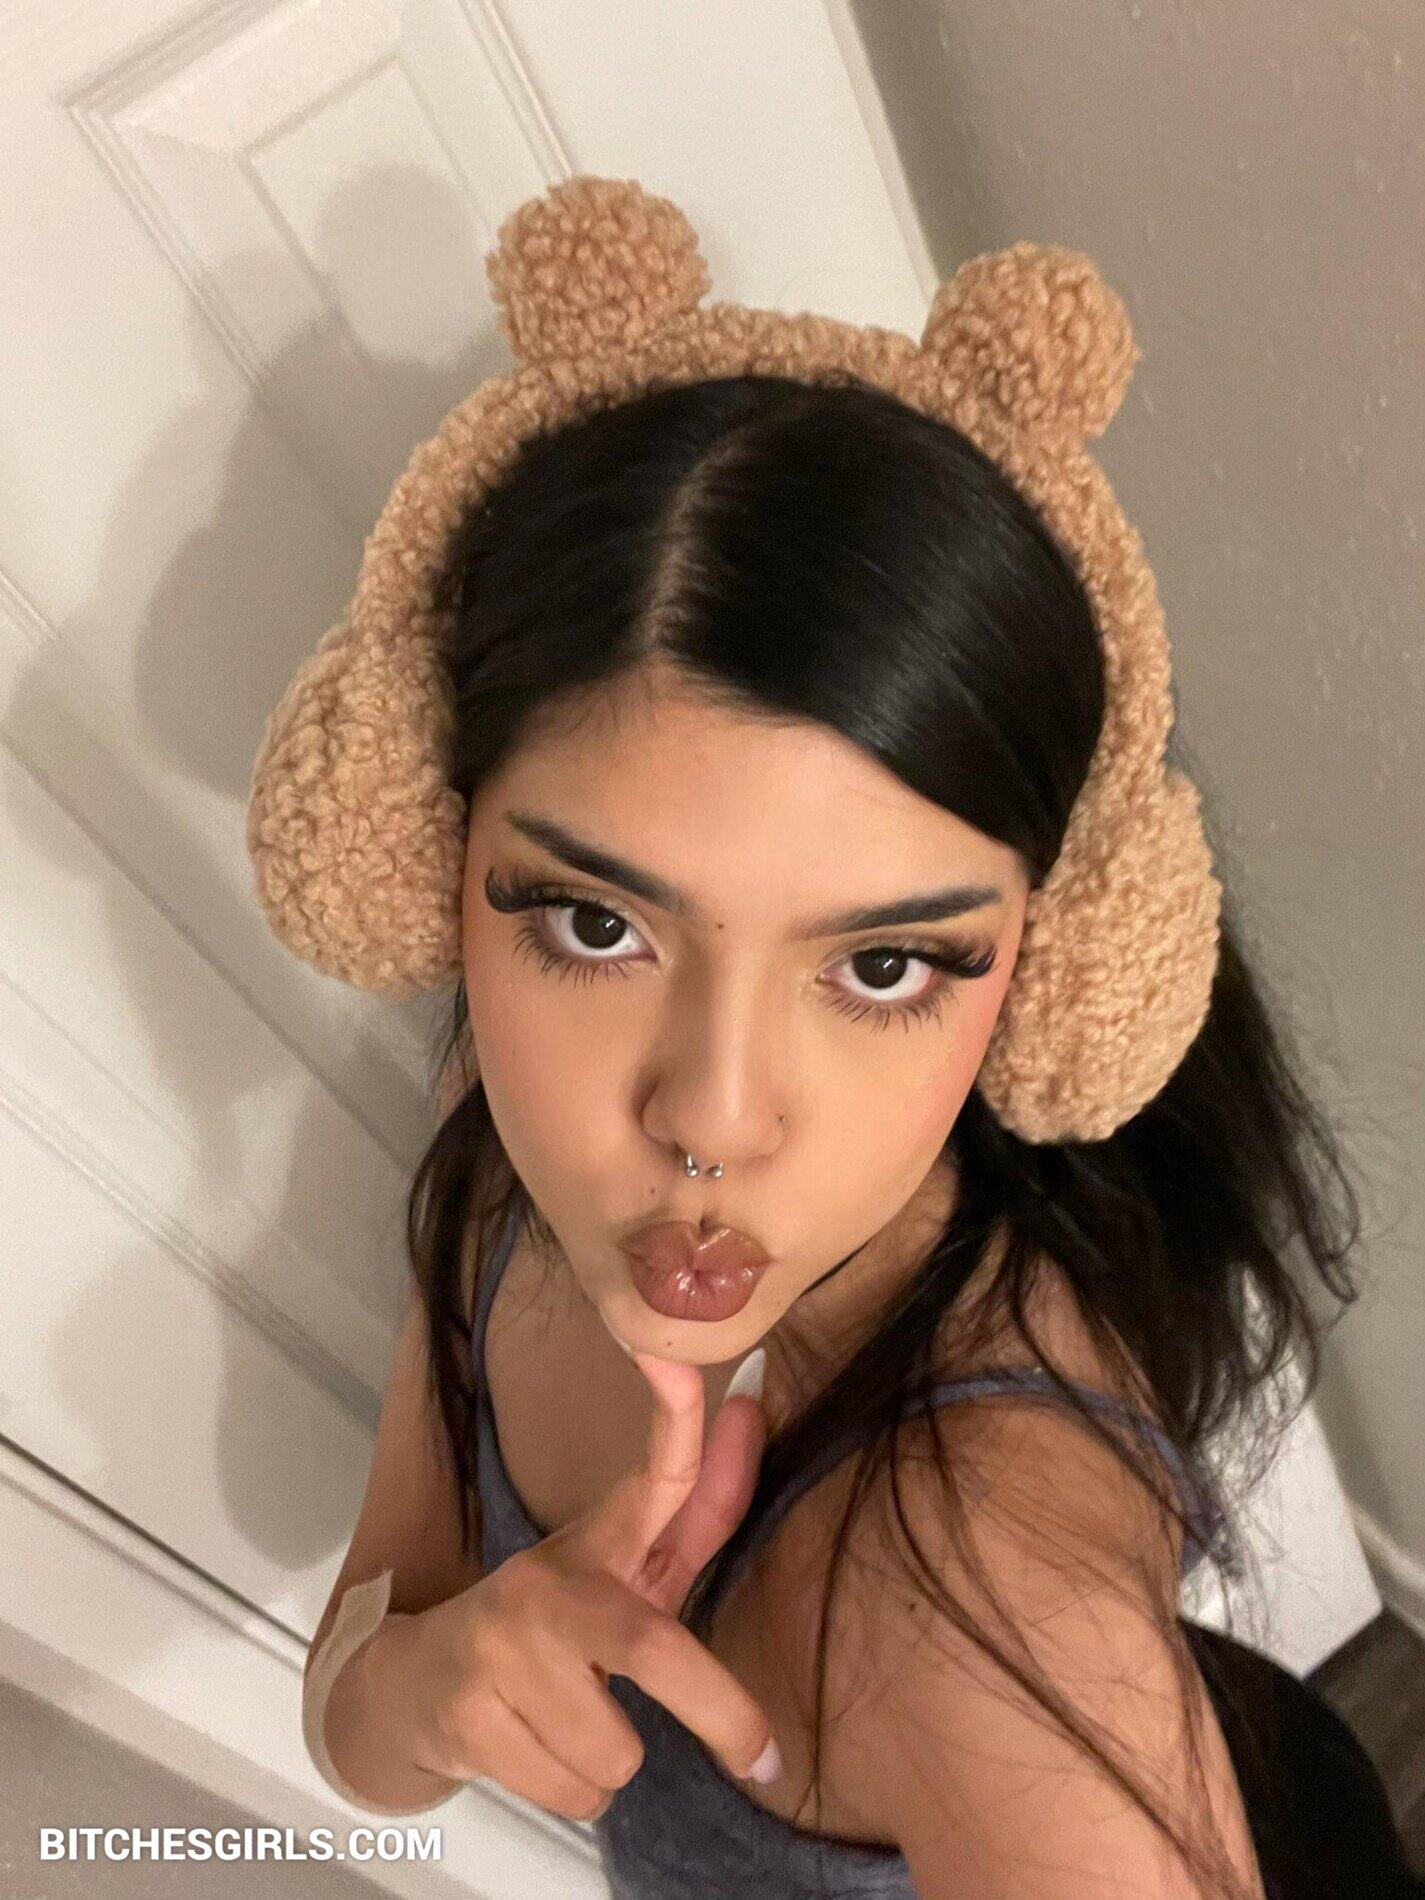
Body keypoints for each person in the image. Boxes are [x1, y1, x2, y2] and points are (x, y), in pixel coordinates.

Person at [247, 178, 1421, 1899]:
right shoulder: (493, 1139)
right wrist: (427, 1686)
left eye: (880, 964)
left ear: (1062, 971)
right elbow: (360, 1678)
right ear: (424, 862)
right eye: (594, 926)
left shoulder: (978, 1590)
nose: (710, 1119)